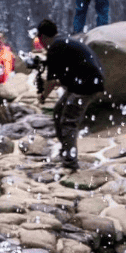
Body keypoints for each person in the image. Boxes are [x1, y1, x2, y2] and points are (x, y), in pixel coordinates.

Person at [36, 18, 105, 171]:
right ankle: (66, 151)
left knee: (69, 122)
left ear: (41, 37)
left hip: (85, 86)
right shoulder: (62, 42)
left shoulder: (54, 48)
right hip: (85, 82)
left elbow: (52, 82)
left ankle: (70, 162)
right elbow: (64, 76)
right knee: (58, 111)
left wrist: (42, 97)